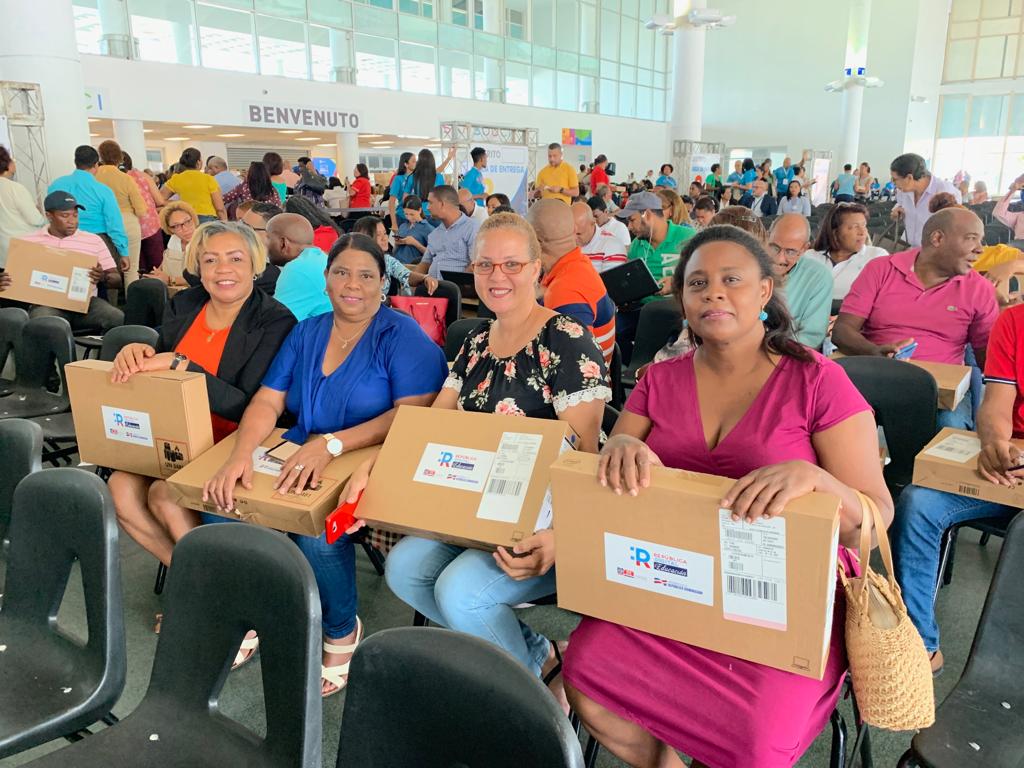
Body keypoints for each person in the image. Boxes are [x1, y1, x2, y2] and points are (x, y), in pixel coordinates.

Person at [563, 224, 892, 768]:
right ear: (683, 302)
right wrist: (620, 443)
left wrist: (820, 483)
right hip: (673, 579)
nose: (713, 292)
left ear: (765, 291)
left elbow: (876, 518)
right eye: (698, 284)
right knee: (587, 674)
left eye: (731, 279)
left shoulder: (818, 381)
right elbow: (623, 447)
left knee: (757, 740)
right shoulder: (658, 380)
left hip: (786, 600)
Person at [349, 213, 608, 691]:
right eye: (485, 264)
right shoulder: (473, 343)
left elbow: (583, 456)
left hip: (546, 521)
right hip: (473, 505)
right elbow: (430, 426)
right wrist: (372, 466)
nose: (497, 276)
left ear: (536, 269)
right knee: (403, 569)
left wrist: (559, 535)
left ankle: (527, 698)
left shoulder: (566, 339)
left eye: (512, 264)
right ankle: (534, 657)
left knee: (461, 592)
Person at [202, 231, 445, 696]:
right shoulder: (308, 330)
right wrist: (239, 456)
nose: (352, 284)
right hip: (305, 446)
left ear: (382, 284)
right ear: (326, 280)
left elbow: (413, 416)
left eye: (366, 275)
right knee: (222, 501)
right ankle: (257, 609)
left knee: (318, 532)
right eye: (341, 273)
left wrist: (332, 444)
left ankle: (340, 629)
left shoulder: (401, 335)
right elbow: (268, 402)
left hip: (376, 455)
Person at [108, 220, 294, 668]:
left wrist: (182, 365)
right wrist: (137, 351)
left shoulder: (274, 319)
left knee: (161, 494)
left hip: (237, 437)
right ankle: (208, 587)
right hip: (177, 433)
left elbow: (245, 404)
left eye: (235, 258)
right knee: (118, 486)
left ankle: (216, 600)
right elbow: (160, 362)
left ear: (254, 265)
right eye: (210, 260)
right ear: (197, 266)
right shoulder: (185, 302)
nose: (222, 269)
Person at [890, 301, 1024, 676]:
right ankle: (921, 644)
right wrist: (994, 443)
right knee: (919, 502)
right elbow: (997, 404)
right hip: (1010, 470)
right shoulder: (1014, 321)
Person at [833, 208, 998, 429]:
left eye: (981, 241)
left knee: (949, 430)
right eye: (971, 239)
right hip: (875, 375)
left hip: (941, 391)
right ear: (937, 238)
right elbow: (842, 331)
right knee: (833, 422)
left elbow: (989, 360)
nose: (980, 250)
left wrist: (1007, 329)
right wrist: (874, 351)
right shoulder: (880, 269)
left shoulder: (980, 289)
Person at [19, 191, 123, 331]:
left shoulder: (93, 240)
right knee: (43, 320)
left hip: (86, 304)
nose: (72, 221)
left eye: (75, 215)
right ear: (49, 216)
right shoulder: (29, 242)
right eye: (65, 215)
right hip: (47, 303)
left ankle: (105, 353)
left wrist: (103, 277)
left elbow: (117, 280)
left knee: (116, 317)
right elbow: (16, 280)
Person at [529, 200, 616, 366]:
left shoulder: (565, 292)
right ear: (574, 230)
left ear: (534, 241)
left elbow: (573, 368)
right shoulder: (578, 265)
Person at [616, 191, 695, 362]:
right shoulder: (638, 244)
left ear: (648, 214)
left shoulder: (687, 237)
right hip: (642, 308)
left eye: (632, 220)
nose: (629, 227)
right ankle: (634, 370)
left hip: (678, 309)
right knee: (614, 329)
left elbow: (706, 275)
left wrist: (676, 283)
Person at [48, 145, 129, 268]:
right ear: (96, 165)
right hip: (97, 241)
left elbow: (49, 215)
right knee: (100, 282)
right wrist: (123, 252)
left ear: (75, 162)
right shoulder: (103, 190)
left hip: (63, 241)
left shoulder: (56, 185)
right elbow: (114, 224)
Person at [765, 214, 832, 349]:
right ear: (767, 237)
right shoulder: (749, 266)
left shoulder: (818, 278)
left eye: (790, 252)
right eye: (774, 247)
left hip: (787, 355)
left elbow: (811, 338)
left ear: (804, 249)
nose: (779, 259)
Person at [805, 202, 888, 299]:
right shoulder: (809, 257)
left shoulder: (877, 257)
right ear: (835, 232)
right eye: (854, 227)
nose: (862, 232)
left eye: (864, 225)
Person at [95, 140, 147, 287]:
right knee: (131, 270)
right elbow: (141, 209)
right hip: (127, 223)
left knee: (108, 270)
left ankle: (110, 306)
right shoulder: (126, 178)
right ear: (120, 158)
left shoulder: (94, 178)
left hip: (102, 225)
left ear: (100, 157)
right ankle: (133, 305)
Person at [266, 212, 333, 321]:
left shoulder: (298, 269)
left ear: (283, 243)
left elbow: (274, 322)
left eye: (268, 239)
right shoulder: (317, 258)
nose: (264, 245)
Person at [351, 215, 437, 298]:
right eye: (378, 235)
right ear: (365, 238)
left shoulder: (387, 260)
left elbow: (406, 275)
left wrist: (425, 278)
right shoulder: (352, 263)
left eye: (385, 233)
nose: (384, 238)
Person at [890, 152, 961, 248]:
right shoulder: (903, 190)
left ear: (909, 178)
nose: (893, 183)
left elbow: (953, 224)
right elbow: (900, 204)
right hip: (907, 247)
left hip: (932, 252)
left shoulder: (944, 190)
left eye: (895, 179)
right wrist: (896, 211)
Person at [414, 185, 481, 278]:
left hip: (458, 289)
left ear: (442, 204)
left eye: (430, 203)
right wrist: (414, 279)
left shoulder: (472, 228)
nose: (428, 208)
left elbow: (476, 263)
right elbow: (425, 262)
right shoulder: (435, 233)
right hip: (431, 287)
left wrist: (458, 285)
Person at [0, 144, 45, 267]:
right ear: (7, 165)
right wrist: (39, 211)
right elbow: (36, 220)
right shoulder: (15, 188)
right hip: (21, 248)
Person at [122, 152, 167, 276]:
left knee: (137, 270)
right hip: (150, 226)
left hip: (128, 229)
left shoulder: (114, 180)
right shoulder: (143, 176)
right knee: (157, 266)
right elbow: (160, 201)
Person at [165, 148, 227, 223]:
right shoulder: (208, 179)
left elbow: (160, 200)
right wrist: (225, 223)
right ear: (198, 162)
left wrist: (180, 204)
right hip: (207, 219)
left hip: (187, 219)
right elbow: (220, 208)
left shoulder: (176, 178)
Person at [150, 201, 197, 288]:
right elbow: (162, 268)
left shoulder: (205, 243)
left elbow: (201, 277)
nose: (185, 228)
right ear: (170, 229)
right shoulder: (173, 243)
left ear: (193, 219)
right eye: (177, 226)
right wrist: (155, 274)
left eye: (187, 221)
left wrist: (170, 279)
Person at [572, 201, 628, 274]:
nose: (574, 238)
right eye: (571, 233)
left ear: (593, 223)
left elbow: (610, 282)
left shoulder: (613, 246)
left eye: (579, 234)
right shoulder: (564, 241)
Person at [393, 196, 434, 264]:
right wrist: (397, 244)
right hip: (395, 264)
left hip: (411, 267)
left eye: (412, 214)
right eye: (406, 214)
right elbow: (394, 251)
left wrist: (415, 243)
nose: (409, 217)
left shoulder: (428, 228)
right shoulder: (403, 226)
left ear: (420, 210)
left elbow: (432, 255)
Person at [993, 177, 1024, 249]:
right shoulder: (1020, 216)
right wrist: (1012, 191)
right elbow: (998, 213)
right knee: (1009, 247)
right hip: (1018, 249)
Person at [388, 152, 416, 231]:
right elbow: (391, 202)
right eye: (413, 161)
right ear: (406, 164)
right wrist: (394, 223)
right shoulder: (398, 179)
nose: (416, 163)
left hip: (416, 218)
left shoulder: (417, 178)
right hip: (402, 217)